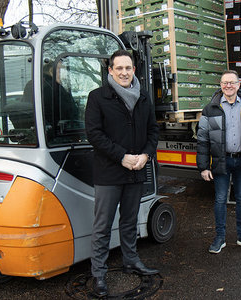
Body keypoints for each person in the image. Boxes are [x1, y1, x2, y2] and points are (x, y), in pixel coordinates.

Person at [85, 49, 159, 297]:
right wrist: (121, 156)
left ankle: (131, 260)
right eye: (119, 68)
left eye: (128, 68)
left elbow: (153, 132)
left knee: (130, 221)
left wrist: (146, 155)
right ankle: (98, 274)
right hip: (109, 173)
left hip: (136, 171)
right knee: (103, 225)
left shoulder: (144, 97)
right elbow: (94, 134)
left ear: (134, 70)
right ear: (110, 71)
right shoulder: (97, 97)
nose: (124, 72)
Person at [196, 70, 241, 254]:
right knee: (220, 199)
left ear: (239, 85)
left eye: (232, 82)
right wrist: (203, 167)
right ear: (220, 85)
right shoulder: (210, 109)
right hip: (221, 161)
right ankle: (220, 238)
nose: (228, 86)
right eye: (225, 82)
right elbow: (202, 139)